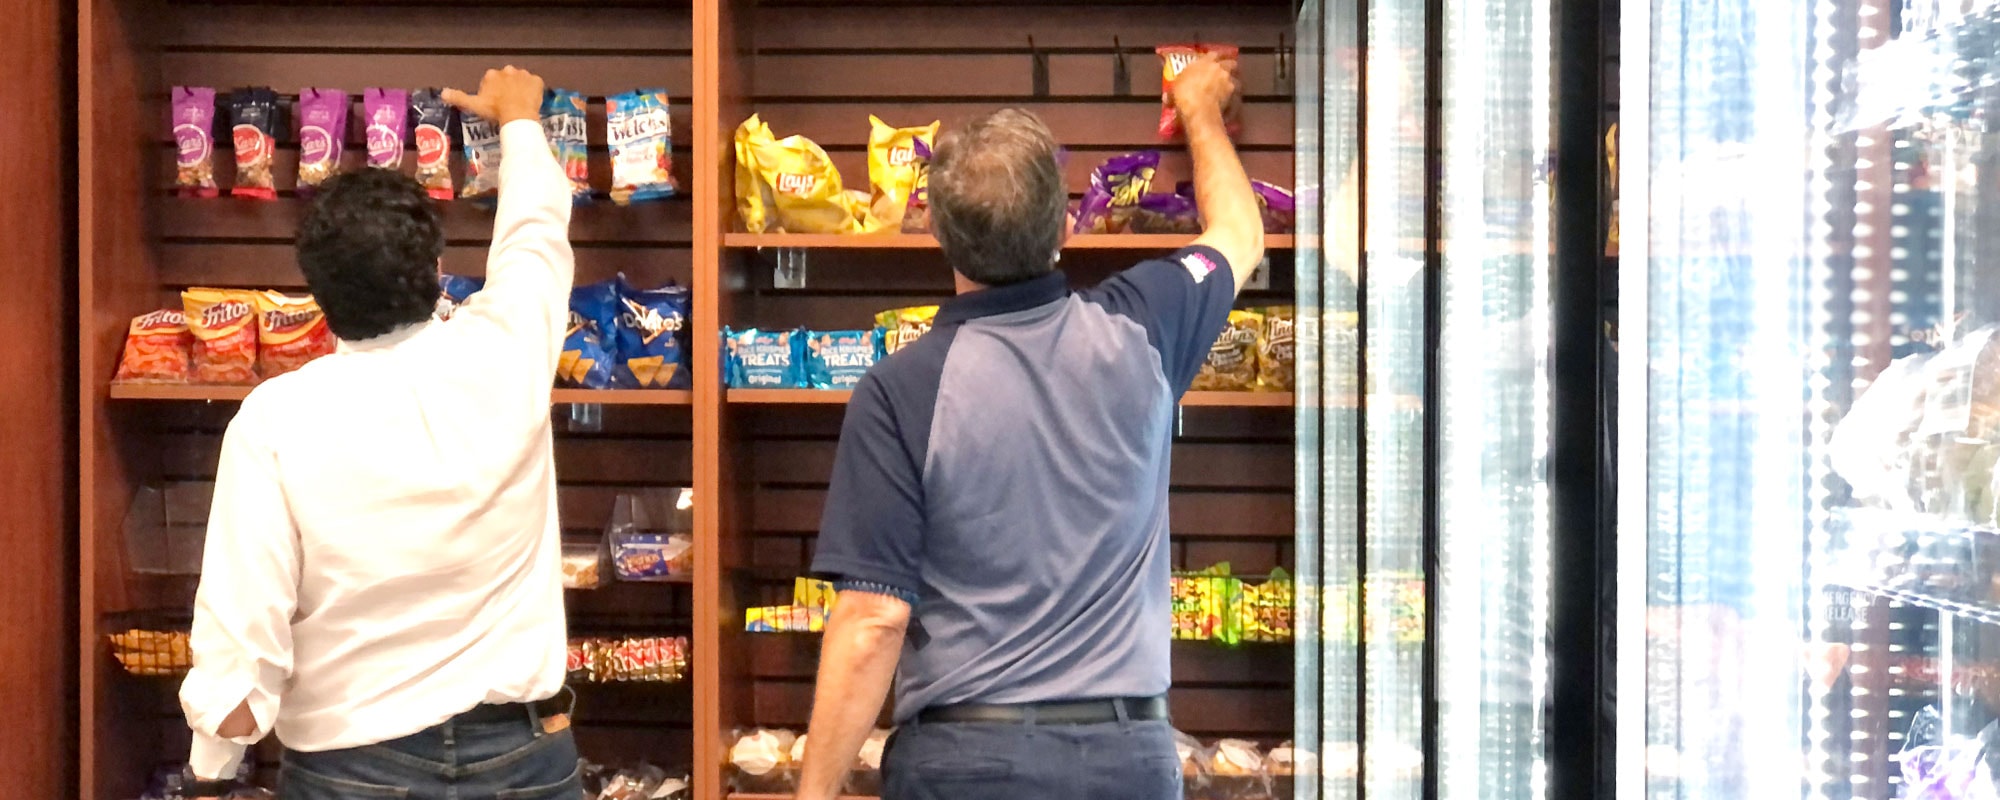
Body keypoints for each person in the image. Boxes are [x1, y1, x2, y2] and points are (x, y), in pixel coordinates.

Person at [795, 54, 1263, 800]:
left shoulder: (898, 391)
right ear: (1060, 228)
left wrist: (812, 794)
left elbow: (874, 621)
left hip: (963, 764)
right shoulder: (1142, 325)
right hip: (1128, 761)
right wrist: (1200, 107)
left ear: (941, 238)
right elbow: (1240, 230)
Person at [177, 66, 582, 800]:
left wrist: (211, 771)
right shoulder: (505, 355)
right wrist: (520, 121)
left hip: (349, 767)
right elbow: (535, 233)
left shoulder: (275, 419)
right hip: (521, 756)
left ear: (316, 291)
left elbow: (244, 620)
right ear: (436, 268)